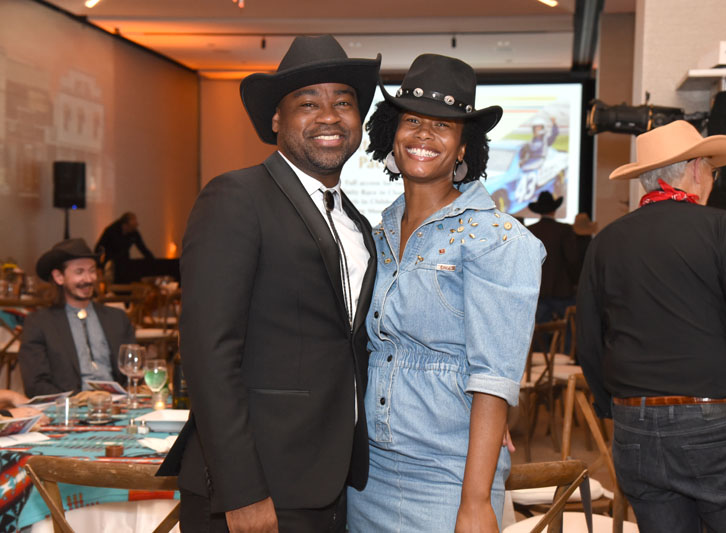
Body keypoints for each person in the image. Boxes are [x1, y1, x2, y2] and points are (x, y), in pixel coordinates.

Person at [156, 35, 381, 533]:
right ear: (277, 120)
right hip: (258, 488)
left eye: (343, 102)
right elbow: (208, 353)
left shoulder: (357, 222)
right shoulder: (236, 197)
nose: (329, 116)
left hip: (332, 479)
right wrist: (244, 490)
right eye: (307, 103)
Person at [346, 54, 544, 532]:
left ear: (462, 148)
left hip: (449, 476)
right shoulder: (376, 234)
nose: (424, 136)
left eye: (444, 126)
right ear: (393, 134)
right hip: (365, 472)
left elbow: (494, 377)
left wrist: (476, 502)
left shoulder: (498, 239)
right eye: (413, 120)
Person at [577, 120, 726, 532]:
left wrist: (614, 408)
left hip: (636, 425)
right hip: (722, 421)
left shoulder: (605, 241)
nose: (711, 178)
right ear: (694, 169)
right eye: (710, 169)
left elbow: (588, 340)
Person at [18, 239, 134, 397]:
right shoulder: (39, 323)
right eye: (79, 272)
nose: (88, 279)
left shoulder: (117, 318)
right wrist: (76, 400)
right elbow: (35, 385)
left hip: (118, 407)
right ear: (59, 277)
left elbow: (134, 372)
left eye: (92, 271)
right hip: (70, 412)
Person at [526, 191, 580, 324]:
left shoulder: (530, 231)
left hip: (537, 291)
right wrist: (575, 282)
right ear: (554, 210)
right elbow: (572, 260)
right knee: (567, 332)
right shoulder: (564, 230)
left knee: (538, 335)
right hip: (562, 291)